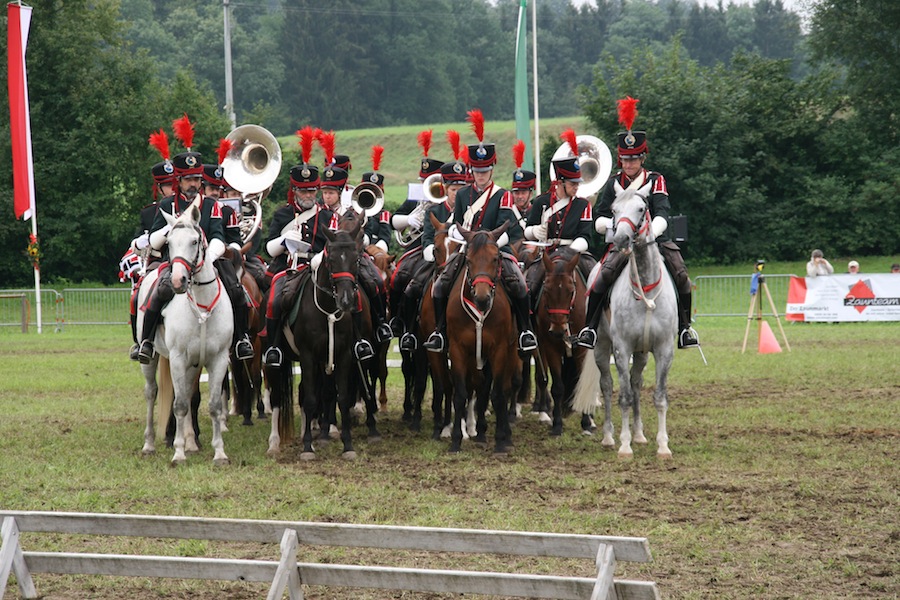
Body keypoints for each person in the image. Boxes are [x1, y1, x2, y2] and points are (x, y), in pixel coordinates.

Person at [576, 97, 699, 350]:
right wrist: (614, 229)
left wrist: (650, 233)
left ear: (642, 158)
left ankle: (685, 328)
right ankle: (590, 329)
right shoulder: (612, 183)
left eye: (634, 159)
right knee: (601, 278)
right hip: (621, 242)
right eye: (625, 159)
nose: (629, 164)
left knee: (681, 274)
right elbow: (599, 215)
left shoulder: (655, 180)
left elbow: (663, 211)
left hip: (654, 240)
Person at [422, 109, 537, 354]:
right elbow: (456, 221)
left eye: (485, 171)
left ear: (492, 169)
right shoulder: (463, 194)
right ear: (471, 171)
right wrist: (455, 232)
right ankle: (440, 331)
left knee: (519, 285)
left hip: (497, 249)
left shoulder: (503, 194)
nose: (481, 175)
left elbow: (507, 225)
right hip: (469, 251)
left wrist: (492, 244)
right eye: (477, 171)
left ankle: (525, 331)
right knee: (440, 286)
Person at [137, 115, 244, 363]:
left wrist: (211, 255)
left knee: (236, 290)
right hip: (174, 263)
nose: (193, 184)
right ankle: (146, 341)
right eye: (188, 179)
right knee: (156, 292)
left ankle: (241, 339)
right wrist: (171, 227)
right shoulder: (166, 204)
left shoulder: (211, 206)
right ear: (179, 181)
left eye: (197, 179)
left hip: (208, 261)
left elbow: (218, 235)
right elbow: (154, 242)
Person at [261, 128, 338, 367]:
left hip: (318, 265)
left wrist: (320, 257)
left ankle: (357, 341)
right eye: (303, 190)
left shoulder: (325, 215)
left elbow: (333, 245)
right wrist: (284, 240)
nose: (307, 194)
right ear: (294, 190)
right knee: (274, 300)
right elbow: (269, 248)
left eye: (311, 190)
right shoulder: (283, 213)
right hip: (290, 267)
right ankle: (273, 346)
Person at [398, 155, 468, 351]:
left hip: (464, 259)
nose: (457, 193)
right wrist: (431, 250)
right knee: (413, 288)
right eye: (454, 189)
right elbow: (427, 238)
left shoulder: (470, 210)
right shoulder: (434, 210)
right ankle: (410, 332)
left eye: (461, 189)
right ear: (446, 189)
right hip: (438, 259)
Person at [523, 130, 597, 302]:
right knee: (528, 288)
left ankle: (594, 325)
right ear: (560, 182)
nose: (577, 187)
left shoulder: (583, 204)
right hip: (546, 255)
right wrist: (536, 231)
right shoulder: (541, 201)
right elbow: (526, 232)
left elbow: (585, 236)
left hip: (574, 255)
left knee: (596, 282)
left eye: (578, 183)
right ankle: (526, 327)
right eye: (572, 183)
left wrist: (571, 250)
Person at [387, 129, 445, 337]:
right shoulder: (415, 199)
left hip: (441, 249)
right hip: (415, 248)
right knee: (396, 279)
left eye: (428, 181)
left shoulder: (447, 202)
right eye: (422, 181)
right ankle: (397, 320)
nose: (424, 186)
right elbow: (394, 221)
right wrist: (409, 219)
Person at [509, 140, 536, 232]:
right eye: (516, 193)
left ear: (531, 194)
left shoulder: (536, 212)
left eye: (523, 193)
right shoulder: (508, 213)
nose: (520, 196)